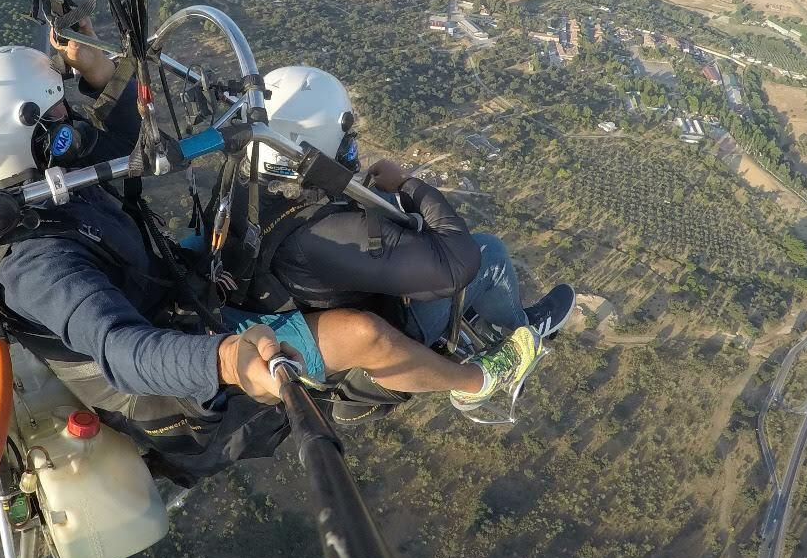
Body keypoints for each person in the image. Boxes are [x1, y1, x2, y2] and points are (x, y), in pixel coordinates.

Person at [0, 29, 292, 482]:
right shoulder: (39, 265)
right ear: (41, 136)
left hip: (168, 291)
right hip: (168, 394)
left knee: (250, 227)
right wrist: (223, 360)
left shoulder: (44, 181)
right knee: (359, 335)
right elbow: (122, 351)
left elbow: (125, 149)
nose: (72, 117)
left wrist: (102, 77)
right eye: (59, 109)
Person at [210, 65, 575, 418]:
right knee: (489, 253)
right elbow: (456, 265)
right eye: (345, 141)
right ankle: (521, 327)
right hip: (394, 326)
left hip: (287, 303)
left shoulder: (242, 189)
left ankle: (483, 317)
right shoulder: (332, 232)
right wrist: (408, 184)